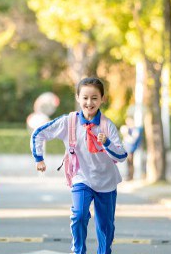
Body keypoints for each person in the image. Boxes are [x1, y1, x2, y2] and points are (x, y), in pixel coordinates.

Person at [30, 77, 127, 254]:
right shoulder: (69, 122)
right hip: (81, 178)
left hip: (106, 181)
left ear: (102, 99)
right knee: (79, 215)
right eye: (85, 98)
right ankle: (79, 250)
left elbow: (121, 155)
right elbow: (39, 133)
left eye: (94, 98)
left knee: (106, 226)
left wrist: (107, 144)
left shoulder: (107, 125)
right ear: (78, 98)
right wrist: (39, 158)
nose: (89, 103)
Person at [119, 116, 142, 181]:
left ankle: (131, 176)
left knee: (130, 162)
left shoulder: (135, 130)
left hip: (132, 149)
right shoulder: (127, 129)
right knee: (128, 162)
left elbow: (133, 140)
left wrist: (126, 134)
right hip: (127, 148)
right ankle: (129, 175)